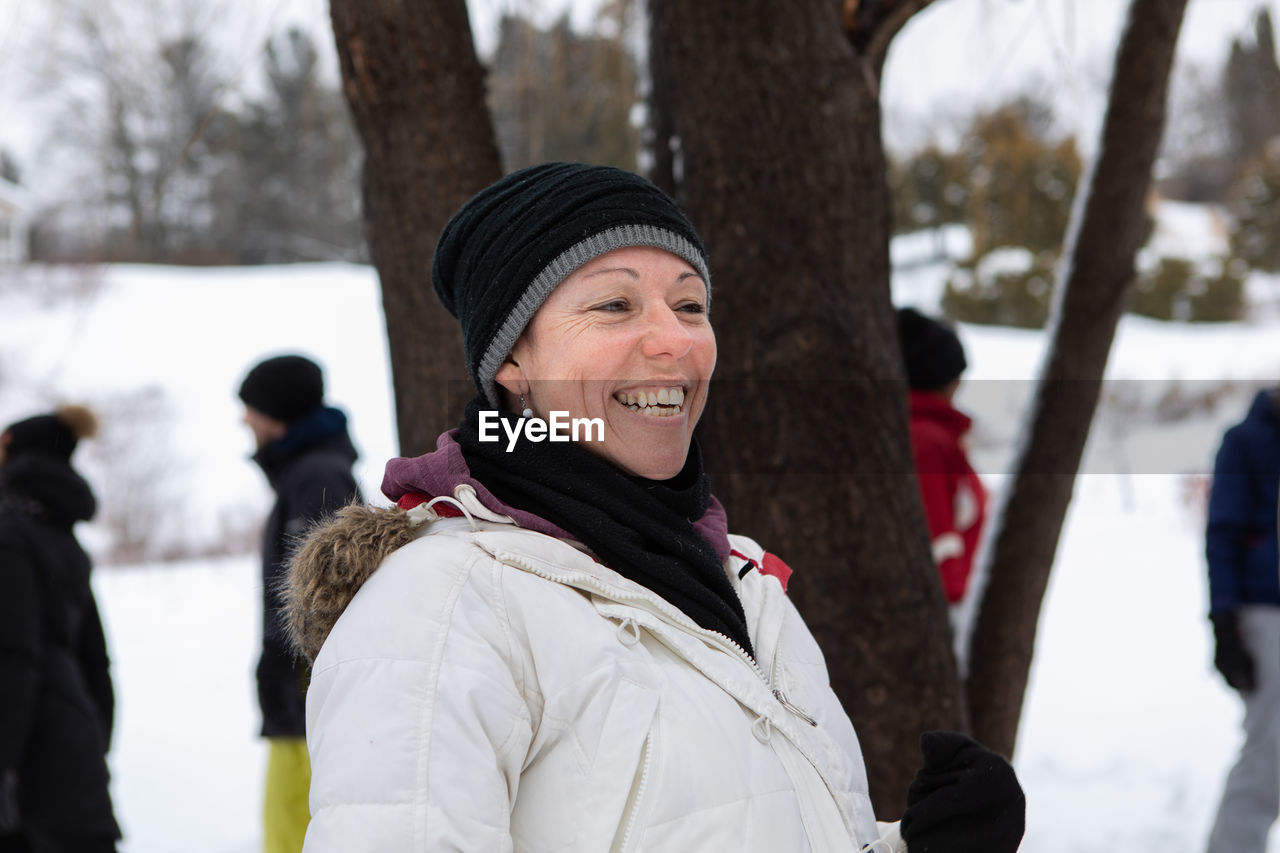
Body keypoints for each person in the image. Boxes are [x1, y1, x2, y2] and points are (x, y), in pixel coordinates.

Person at [282, 163, 1025, 852]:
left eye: (690, 304)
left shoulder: (740, 582)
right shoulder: (445, 609)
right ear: (512, 361)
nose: (675, 340)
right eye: (614, 303)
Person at [238, 355, 361, 853]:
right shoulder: (307, 474)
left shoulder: (316, 478)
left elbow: (327, 598)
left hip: (306, 697)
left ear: (276, 415)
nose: (244, 419)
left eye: (251, 408)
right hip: (296, 693)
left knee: (294, 826)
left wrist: (295, 682)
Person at [0, 405, 120, 853]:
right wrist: (94, 748)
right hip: (74, 759)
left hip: (30, 773)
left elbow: (12, 658)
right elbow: (97, 660)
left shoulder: (11, 536)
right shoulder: (61, 539)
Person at [1203, 388, 1280, 853]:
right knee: (1270, 755)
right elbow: (1223, 533)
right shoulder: (1247, 441)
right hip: (1264, 613)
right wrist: (1224, 621)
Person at [897, 307, 987, 608]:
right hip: (941, 607)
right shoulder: (927, 441)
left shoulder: (935, 434)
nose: (961, 384)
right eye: (957, 375)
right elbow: (937, 535)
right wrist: (954, 596)